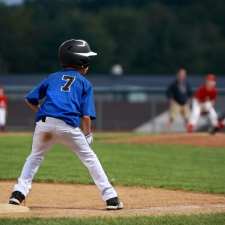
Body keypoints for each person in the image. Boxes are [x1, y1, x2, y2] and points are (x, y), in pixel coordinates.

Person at [9, 39, 123, 210]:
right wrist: (88, 135)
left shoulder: (52, 77)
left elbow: (30, 99)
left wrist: (41, 112)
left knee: (34, 157)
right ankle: (111, 198)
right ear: (82, 62)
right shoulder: (85, 83)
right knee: (90, 159)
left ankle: (18, 194)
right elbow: (86, 116)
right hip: (68, 126)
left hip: (44, 123)